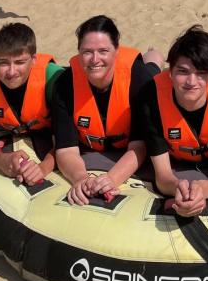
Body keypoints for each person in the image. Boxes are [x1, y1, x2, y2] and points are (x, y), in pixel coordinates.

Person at [134, 24, 208, 217]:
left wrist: (204, 190)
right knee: (149, 70)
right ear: (170, 72)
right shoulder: (149, 98)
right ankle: (154, 54)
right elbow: (162, 177)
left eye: (201, 73)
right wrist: (177, 187)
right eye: (183, 71)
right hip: (156, 89)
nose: (191, 82)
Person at [52, 16, 164, 206]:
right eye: (87, 52)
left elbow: (139, 147)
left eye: (103, 51)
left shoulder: (139, 80)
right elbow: (65, 150)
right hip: (99, 139)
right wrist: (80, 178)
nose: (95, 59)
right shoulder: (64, 84)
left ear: (116, 51)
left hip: (143, 76)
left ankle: (154, 55)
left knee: (152, 70)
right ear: (78, 52)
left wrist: (111, 179)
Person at [0, 23, 64, 184]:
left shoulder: (55, 80)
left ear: (34, 59)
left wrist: (42, 168)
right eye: (3, 63)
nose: (12, 72)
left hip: (52, 135)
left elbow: (69, 143)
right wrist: (2, 161)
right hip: (13, 133)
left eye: (20, 62)